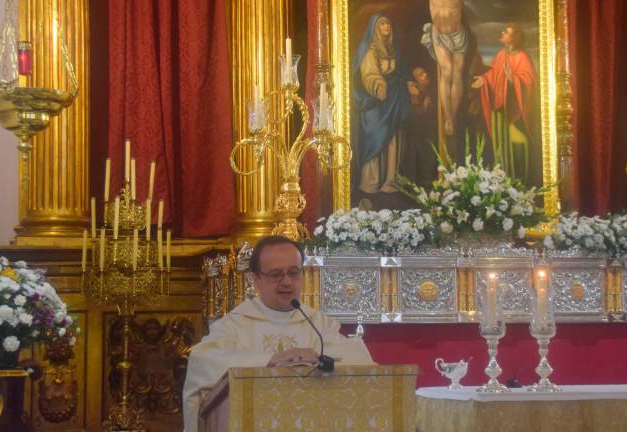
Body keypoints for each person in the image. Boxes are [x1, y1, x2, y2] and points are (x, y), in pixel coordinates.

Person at [181, 236, 373, 432]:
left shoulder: (318, 324)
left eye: (294, 272)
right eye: (275, 274)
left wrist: (321, 359)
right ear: (256, 279)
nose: (287, 282)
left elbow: (362, 363)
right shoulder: (235, 325)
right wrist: (269, 360)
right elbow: (202, 361)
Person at [352, 14, 413, 195]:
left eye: (388, 23)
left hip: (393, 102)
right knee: (376, 138)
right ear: (375, 28)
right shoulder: (370, 51)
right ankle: (371, 181)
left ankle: (390, 180)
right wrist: (378, 84)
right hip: (375, 104)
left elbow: (400, 73)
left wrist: (408, 83)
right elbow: (368, 73)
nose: (387, 26)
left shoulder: (393, 51)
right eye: (383, 24)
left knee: (393, 139)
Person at [471, 24, 535, 182]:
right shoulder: (500, 55)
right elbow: (494, 74)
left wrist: (513, 78)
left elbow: (529, 81)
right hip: (499, 109)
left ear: (513, 38)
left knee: (517, 141)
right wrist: (484, 79)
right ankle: (503, 176)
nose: (502, 33)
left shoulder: (522, 57)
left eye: (506, 32)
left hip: (514, 110)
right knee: (501, 143)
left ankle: (518, 178)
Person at [422, 0, 467, 137]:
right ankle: (447, 116)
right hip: (439, 35)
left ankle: (452, 116)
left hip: (458, 35)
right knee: (447, 71)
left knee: (457, 74)